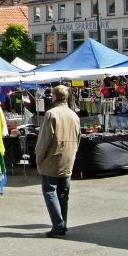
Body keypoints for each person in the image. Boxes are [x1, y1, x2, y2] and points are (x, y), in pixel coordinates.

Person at [35, 85, 81, 238]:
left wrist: (39, 159)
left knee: (50, 190)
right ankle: (62, 223)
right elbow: (78, 138)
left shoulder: (51, 114)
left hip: (53, 158)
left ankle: (58, 224)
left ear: (54, 97)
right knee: (63, 193)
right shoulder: (74, 115)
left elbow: (44, 141)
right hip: (68, 157)